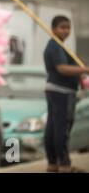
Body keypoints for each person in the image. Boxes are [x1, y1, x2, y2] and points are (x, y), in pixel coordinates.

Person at [43, 15, 89, 173]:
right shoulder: (55, 46)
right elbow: (62, 68)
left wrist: (80, 77)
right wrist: (84, 69)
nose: (66, 31)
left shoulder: (59, 46)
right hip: (61, 92)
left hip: (56, 90)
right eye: (62, 27)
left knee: (53, 126)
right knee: (61, 128)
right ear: (53, 29)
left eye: (68, 27)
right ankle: (64, 164)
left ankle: (53, 163)